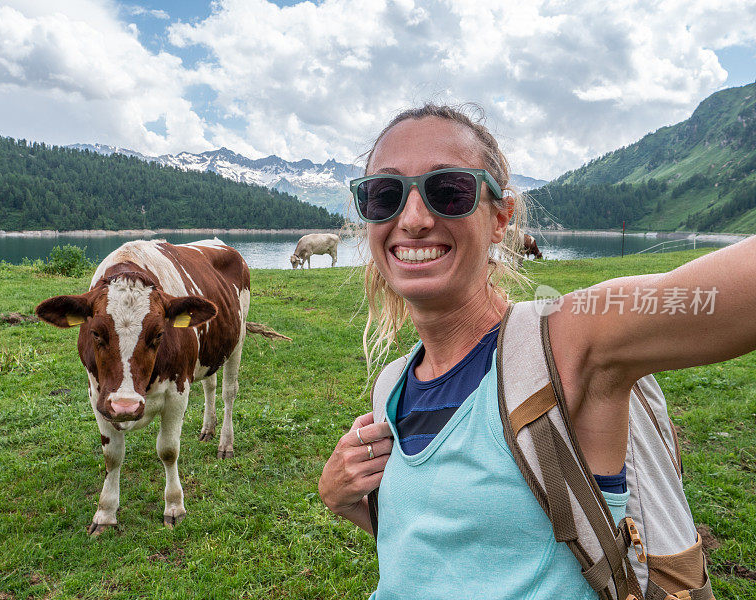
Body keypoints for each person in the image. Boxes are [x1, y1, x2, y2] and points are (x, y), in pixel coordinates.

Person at [317, 104, 756, 599]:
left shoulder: (568, 343)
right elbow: (450, 552)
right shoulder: (392, 385)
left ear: (500, 218)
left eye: (449, 192)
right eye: (385, 195)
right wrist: (343, 500)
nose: (413, 219)